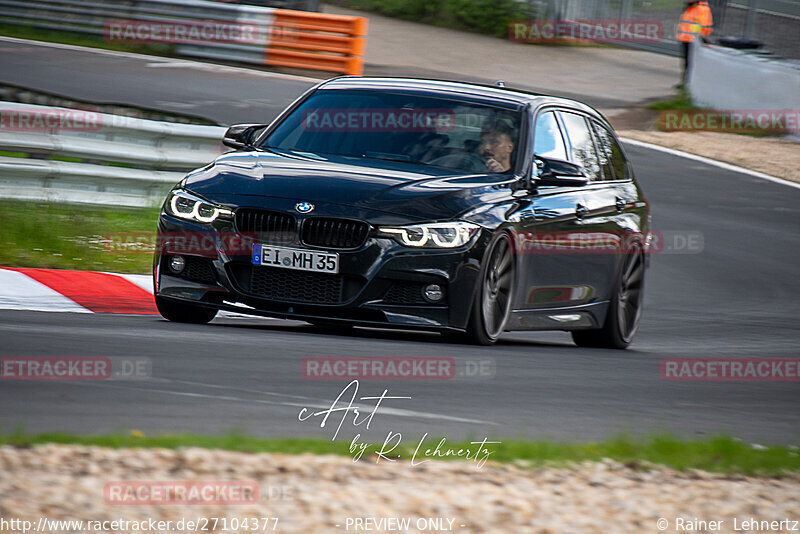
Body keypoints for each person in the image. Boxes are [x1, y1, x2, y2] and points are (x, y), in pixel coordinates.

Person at [676, 0, 714, 87]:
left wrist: (697, 36)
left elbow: (704, 27)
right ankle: (685, 82)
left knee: (692, 63)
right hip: (686, 39)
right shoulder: (690, 7)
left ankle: (689, 84)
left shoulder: (702, 9)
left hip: (693, 41)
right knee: (687, 63)